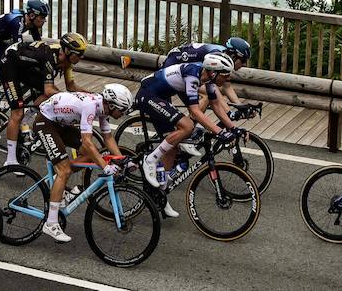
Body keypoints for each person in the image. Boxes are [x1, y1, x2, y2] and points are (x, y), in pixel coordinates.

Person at [133, 52, 237, 217]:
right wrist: (219, 132)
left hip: (161, 97)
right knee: (187, 126)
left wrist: (233, 128)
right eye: (225, 74)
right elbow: (195, 111)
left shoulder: (208, 80)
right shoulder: (192, 74)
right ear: (213, 72)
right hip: (148, 94)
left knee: (173, 148)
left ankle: (160, 194)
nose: (228, 78)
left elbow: (216, 105)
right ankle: (150, 159)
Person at [32, 85, 131, 243]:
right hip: (45, 123)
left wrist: (122, 160)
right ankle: (50, 223)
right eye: (123, 109)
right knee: (65, 170)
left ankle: (59, 183)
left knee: (90, 155)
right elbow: (87, 142)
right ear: (112, 105)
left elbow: (108, 137)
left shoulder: (103, 109)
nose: (124, 114)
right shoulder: (90, 106)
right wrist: (105, 167)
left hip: (60, 123)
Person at [0, 32, 87, 166]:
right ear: (67, 51)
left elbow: (71, 86)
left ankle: (25, 123)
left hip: (27, 69)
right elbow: (50, 90)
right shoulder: (50, 56)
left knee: (44, 101)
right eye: (79, 54)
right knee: (17, 112)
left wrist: (92, 96)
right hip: (10, 66)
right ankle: (10, 160)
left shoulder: (66, 61)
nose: (82, 57)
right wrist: (69, 99)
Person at [0, 0, 49, 108]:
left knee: (10, 62)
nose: (44, 20)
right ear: (32, 15)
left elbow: (38, 44)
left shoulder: (31, 23)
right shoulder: (17, 22)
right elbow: (19, 50)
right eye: (42, 17)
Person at [160, 37, 252, 105]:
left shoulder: (225, 58)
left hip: (185, 70)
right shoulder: (217, 57)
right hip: (172, 65)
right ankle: (188, 126)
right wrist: (229, 112)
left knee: (201, 101)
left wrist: (240, 106)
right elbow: (212, 87)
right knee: (207, 96)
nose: (244, 64)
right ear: (233, 56)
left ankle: (189, 125)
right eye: (243, 60)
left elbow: (226, 87)